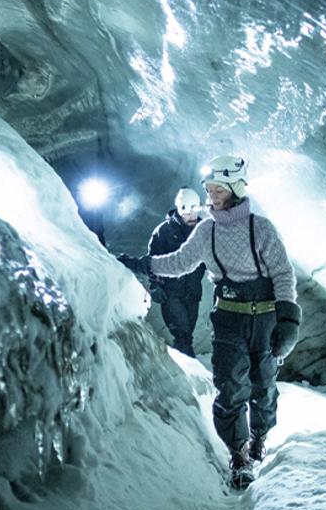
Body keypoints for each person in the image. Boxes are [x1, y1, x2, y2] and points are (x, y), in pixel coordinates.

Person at [116, 154, 300, 489]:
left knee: (263, 385)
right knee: (230, 387)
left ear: (235, 187)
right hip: (229, 318)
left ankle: (260, 436)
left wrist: (288, 317)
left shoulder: (261, 228)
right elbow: (180, 262)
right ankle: (239, 454)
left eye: (217, 188)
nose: (211, 194)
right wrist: (143, 265)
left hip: (266, 319)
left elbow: (282, 273)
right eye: (209, 188)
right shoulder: (206, 230)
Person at [146, 188, 207, 356]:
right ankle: (191, 373)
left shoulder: (203, 230)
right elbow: (154, 260)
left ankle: (187, 370)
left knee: (187, 334)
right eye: (188, 213)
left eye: (194, 212)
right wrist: (155, 285)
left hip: (193, 292)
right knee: (182, 335)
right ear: (180, 210)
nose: (192, 217)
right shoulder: (164, 232)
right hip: (171, 293)